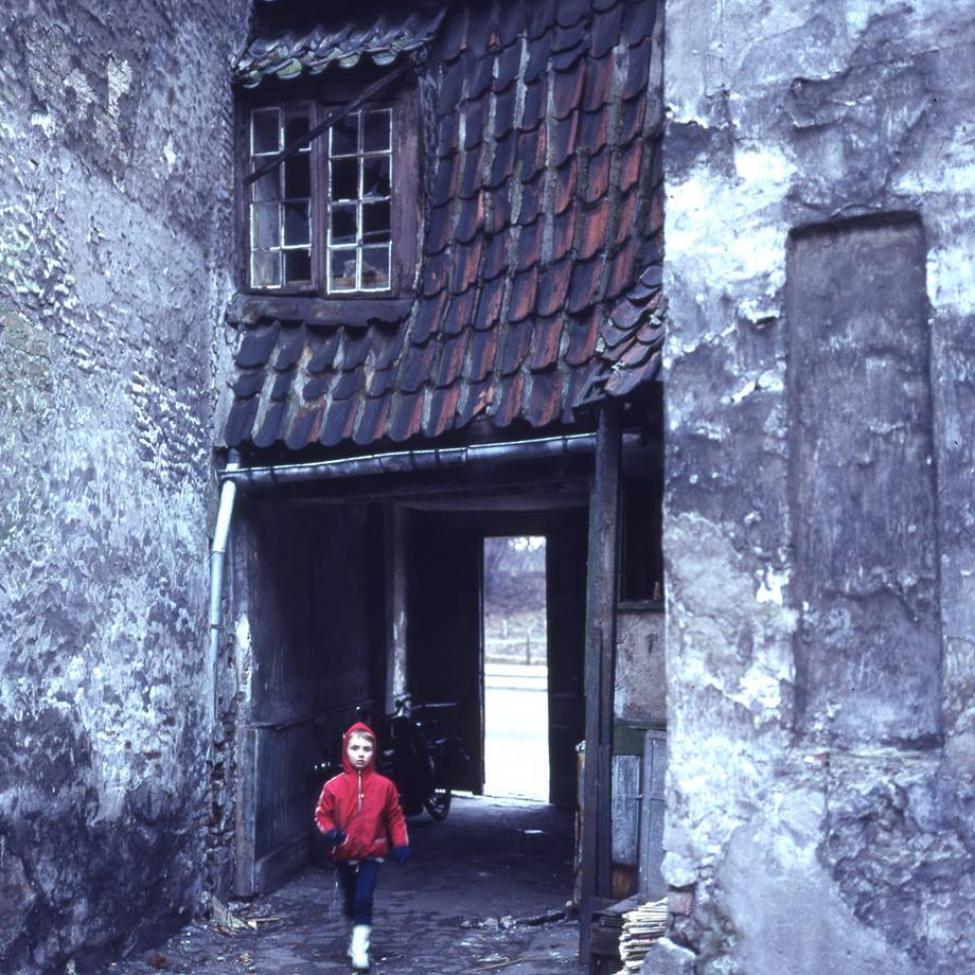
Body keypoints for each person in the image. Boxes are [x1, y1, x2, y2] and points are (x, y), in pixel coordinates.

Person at [315, 721, 410, 971]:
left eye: (366, 749)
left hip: (372, 852)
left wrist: (400, 843)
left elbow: (395, 816)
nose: (360, 754)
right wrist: (332, 832)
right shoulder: (333, 786)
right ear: (345, 749)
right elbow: (321, 815)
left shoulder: (384, 786)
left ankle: (360, 951)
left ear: (373, 752)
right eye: (355, 748)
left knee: (364, 898)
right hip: (344, 853)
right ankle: (354, 927)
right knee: (350, 902)